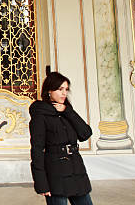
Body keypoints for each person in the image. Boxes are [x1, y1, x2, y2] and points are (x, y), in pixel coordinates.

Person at [29, 72, 93, 205]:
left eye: (66, 89)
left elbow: (85, 134)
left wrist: (68, 111)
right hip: (55, 174)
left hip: (76, 170)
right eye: (60, 89)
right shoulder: (40, 115)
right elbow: (37, 149)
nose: (64, 93)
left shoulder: (67, 111)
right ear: (49, 91)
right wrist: (41, 182)